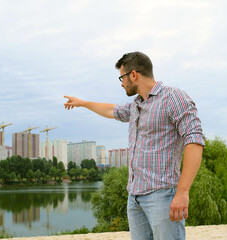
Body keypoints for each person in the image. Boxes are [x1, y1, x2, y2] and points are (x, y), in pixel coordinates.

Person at [64, 51, 205, 240]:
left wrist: (182, 192)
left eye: (122, 77)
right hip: (134, 198)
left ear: (133, 74)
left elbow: (194, 140)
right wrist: (83, 103)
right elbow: (111, 110)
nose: (121, 83)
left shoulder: (174, 98)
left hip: (162, 196)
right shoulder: (136, 105)